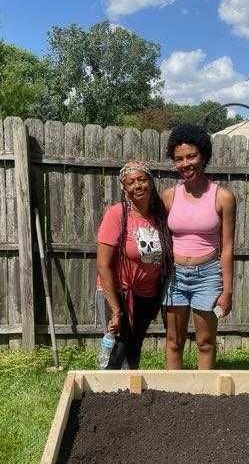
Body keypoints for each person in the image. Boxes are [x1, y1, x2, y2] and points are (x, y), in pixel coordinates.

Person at [162, 123, 236, 369]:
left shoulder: (223, 197)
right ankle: (173, 395)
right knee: (174, 341)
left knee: (205, 342)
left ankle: (205, 400)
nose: (185, 164)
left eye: (191, 156)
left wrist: (227, 292)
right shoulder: (169, 196)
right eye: (179, 159)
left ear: (203, 155)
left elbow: (227, 248)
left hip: (207, 277)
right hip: (174, 277)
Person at [96, 161, 173, 369]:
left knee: (134, 345)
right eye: (131, 182)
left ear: (151, 182)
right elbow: (103, 264)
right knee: (118, 347)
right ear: (124, 187)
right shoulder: (117, 214)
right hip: (119, 293)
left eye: (143, 179)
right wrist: (115, 310)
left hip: (148, 296)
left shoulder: (159, 216)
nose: (138, 186)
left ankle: (129, 392)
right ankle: (106, 392)